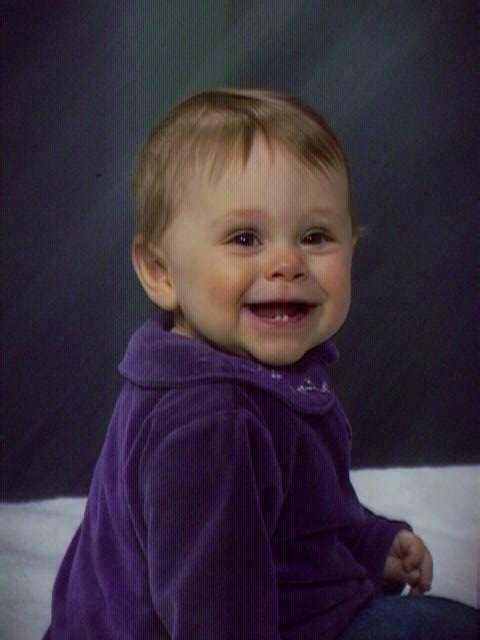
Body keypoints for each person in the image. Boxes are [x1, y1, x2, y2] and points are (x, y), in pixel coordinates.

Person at [43, 89, 478, 639]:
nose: (287, 263)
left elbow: (301, 512)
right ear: (161, 272)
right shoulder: (208, 424)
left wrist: (370, 545)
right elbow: (212, 611)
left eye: (315, 236)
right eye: (245, 238)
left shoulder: (257, 372)